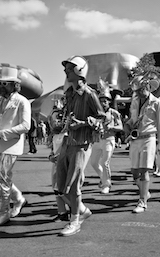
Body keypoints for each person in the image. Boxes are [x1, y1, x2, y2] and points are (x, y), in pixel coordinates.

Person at [56, 55, 105, 236]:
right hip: (67, 143)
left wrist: (83, 123)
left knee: (74, 185)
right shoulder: (69, 95)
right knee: (60, 187)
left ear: (79, 70)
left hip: (82, 144)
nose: (65, 72)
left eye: (69, 69)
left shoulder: (90, 95)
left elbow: (102, 118)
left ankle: (75, 220)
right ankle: (83, 210)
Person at [0, 67, 31, 227]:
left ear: (15, 85)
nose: (2, 86)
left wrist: (2, 133)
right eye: (0, 83)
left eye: (6, 83)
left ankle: (3, 213)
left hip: (12, 144)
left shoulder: (22, 101)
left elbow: (26, 126)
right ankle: (19, 198)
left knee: (4, 178)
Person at [124, 74, 160, 213]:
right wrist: (127, 125)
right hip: (135, 138)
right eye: (136, 91)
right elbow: (132, 119)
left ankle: (142, 201)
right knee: (134, 171)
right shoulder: (135, 102)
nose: (138, 93)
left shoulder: (157, 102)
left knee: (144, 170)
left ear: (148, 86)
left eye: (140, 90)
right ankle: (144, 191)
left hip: (149, 138)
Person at [89, 81, 123, 194]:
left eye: (105, 101)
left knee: (105, 162)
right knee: (93, 162)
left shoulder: (114, 113)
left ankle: (106, 184)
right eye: (101, 101)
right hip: (97, 140)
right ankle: (103, 178)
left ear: (109, 102)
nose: (103, 103)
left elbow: (121, 127)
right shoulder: (95, 113)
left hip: (109, 139)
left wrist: (112, 126)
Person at [47, 97, 70, 222]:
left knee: (63, 189)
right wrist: (51, 155)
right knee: (56, 189)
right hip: (55, 164)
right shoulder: (55, 135)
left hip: (64, 164)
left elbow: (66, 149)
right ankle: (62, 212)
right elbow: (53, 149)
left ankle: (75, 208)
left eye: (59, 118)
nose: (56, 122)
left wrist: (59, 156)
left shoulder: (66, 135)